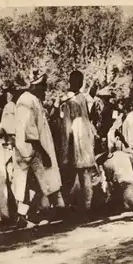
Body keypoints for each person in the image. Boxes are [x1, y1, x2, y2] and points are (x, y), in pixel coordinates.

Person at [13, 74, 66, 227]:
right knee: (30, 182)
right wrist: (42, 152)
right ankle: (23, 215)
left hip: (36, 150)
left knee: (37, 183)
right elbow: (29, 131)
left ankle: (33, 213)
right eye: (43, 88)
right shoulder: (26, 101)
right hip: (30, 151)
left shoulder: (35, 100)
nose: (45, 91)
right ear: (34, 86)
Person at [55, 70, 96, 216]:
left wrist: (65, 148)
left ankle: (79, 205)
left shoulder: (69, 100)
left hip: (76, 137)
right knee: (85, 172)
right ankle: (85, 204)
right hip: (85, 135)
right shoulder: (83, 98)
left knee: (77, 171)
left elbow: (66, 127)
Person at [0, 86, 18, 224]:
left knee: (7, 179)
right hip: (9, 146)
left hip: (8, 146)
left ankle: (9, 214)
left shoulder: (10, 106)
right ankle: (12, 213)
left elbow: (4, 129)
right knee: (9, 179)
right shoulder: (11, 107)